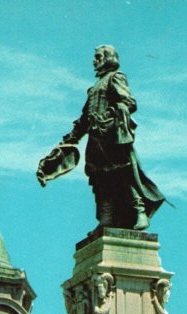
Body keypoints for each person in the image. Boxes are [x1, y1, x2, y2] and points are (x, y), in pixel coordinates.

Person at [60, 45, 165, 230]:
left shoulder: (115, 77)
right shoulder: (95, 87)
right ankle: (106, 217)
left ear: (108, 57)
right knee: (100, 179)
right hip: (95, 140)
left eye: (98, 56)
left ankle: (139, 211)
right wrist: (71, 138)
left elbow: (129, 102)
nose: (94, 60)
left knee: (122, 174)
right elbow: (85, 118)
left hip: (111, 136)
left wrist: (112, 114)